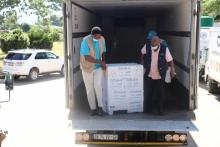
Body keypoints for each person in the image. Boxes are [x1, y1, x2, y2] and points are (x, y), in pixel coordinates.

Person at [142, 36, 176, 115]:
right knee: (148, 91)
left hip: (160, 74)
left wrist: (172, 70)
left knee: (160, 92)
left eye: (156, 47)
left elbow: (170, 60)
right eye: (152, 46)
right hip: (149, 73)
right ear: (150, 43)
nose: (154, 48)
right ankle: (147, 109)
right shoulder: (146, 46)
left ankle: (160, 110)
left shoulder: (164, 48)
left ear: (159, 43)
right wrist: (142, 62)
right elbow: (142, 53)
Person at [80, 26, 107, 116]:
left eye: (99, 36)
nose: (98, 38)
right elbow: (87, 57)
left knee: (98, 86)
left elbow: (103, 52)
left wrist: (104, 62)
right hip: (87, 67)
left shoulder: (102, 39)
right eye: (96, 37)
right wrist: (100, 62)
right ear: (92, 35)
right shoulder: (85, 41)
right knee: (90, 89)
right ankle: (93, 109)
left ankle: (100, 108)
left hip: (98, 67)